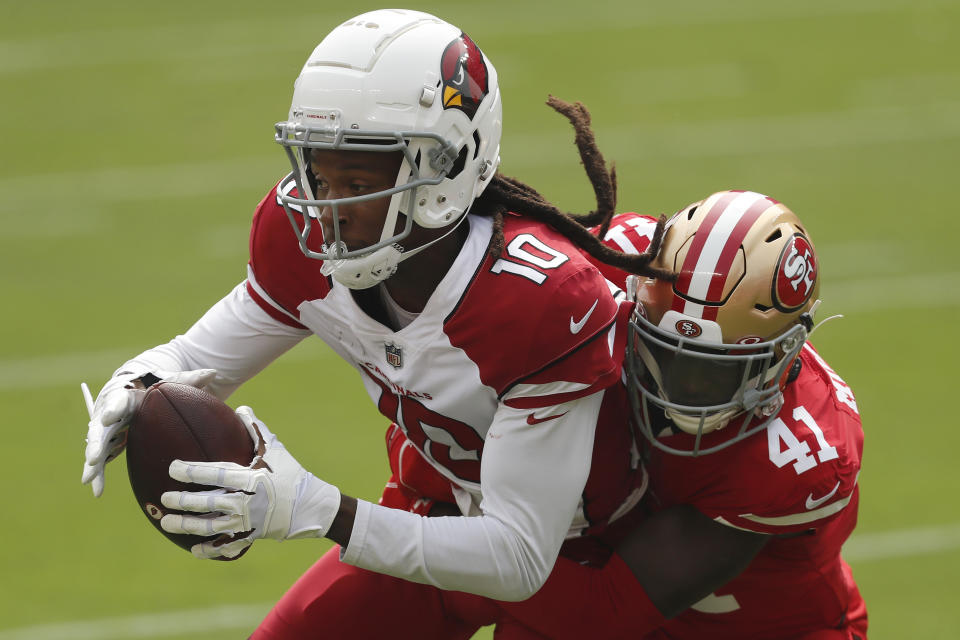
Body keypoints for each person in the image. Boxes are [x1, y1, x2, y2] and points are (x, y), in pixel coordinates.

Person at [80, 9, 671, 639]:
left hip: (585, 554)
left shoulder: (538, 300)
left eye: (358, 182)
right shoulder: (301, 242)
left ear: (447, 171)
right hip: (432, 509)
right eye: (317, 174)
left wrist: (315, 508)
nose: (327, 210)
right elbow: (189, 361)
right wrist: (135, 387)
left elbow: (518, 556)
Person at [483, 190, 867, 638]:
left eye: (713, 370)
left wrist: (454, 550)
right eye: (663, 353)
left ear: (782, 353)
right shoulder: (611, 261)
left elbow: (604, 611)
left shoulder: (803, 448)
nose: (679, 388)